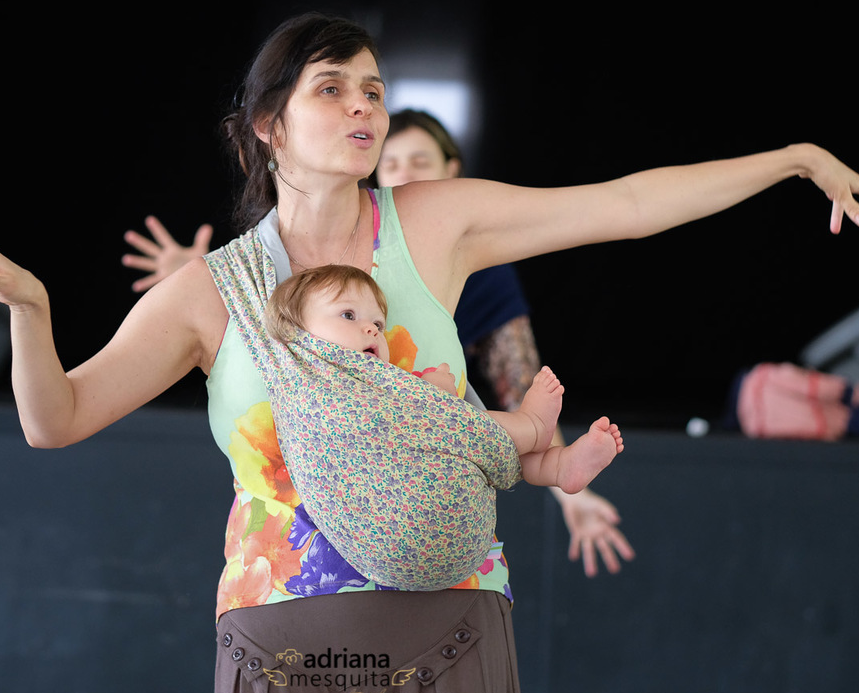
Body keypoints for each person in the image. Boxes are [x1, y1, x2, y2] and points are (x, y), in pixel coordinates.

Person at [0, 12, 859, 693]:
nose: (363, 105)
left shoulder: (435, 222)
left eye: (375, 89)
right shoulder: (210, 291)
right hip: (283, 636)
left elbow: (626, 204)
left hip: (449, 623)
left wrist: (792, 156)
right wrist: (32, 314)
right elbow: (57, 417)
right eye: (331, 87)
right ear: (268, 125)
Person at [125, 108, 638, 576]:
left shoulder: (472, 260)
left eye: (422, 161)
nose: (407, 175)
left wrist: (571, 491)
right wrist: (197, 286)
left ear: (453, 171)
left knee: (471, 417)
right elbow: (284, 300)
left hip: (442, 473)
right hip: (318, 534)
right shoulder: (317, 272)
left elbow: (516, 374)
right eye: (392, 164)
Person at [251, 262, 622, 590]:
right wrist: (436, 394)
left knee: (456, 434)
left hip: (444, 531)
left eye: (378, 324)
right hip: (388, 532)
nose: (370, 329)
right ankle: (533, 429)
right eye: (348, 316)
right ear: (295, 332)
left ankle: (557, 467)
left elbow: (408, 423)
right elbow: (382, 426)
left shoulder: (375, 378)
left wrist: (429, 396)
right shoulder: (308, 384)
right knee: (460, 424)